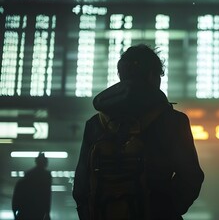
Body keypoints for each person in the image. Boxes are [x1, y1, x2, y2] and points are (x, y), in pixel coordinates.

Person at [72, 44, 204, 220]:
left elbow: (81, 184)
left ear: (121, 75)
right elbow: (191, 176)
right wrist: (166, 209)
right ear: (152, 76)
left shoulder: (95, 123)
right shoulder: (174, 121)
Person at [12, 152, 52, 220]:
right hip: (38, 211)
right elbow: (47, 195)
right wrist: (47, 213)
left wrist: (15, 212)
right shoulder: (46, 176)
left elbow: (17, 196)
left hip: (25, 210)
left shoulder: (27, 176)